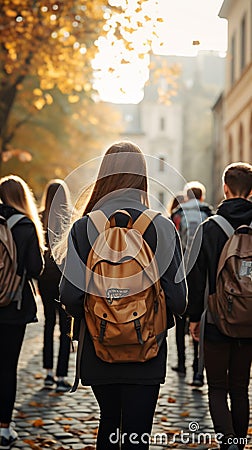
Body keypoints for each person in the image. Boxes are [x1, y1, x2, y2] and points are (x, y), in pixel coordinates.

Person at [59, 141, 187, 450]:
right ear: (142, 175)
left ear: (104, 176)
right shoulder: (163, 227)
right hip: (147, 350)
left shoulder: (83, 227)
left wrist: (103, 315)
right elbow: (180, 300)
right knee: (137, 432)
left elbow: (70, 295)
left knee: (109, 423)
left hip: (99, 348)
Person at [188, 163, 252, 450]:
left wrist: (193, 319)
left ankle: (229, 443)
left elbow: (196, 278)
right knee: (240, 387)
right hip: (250, 319)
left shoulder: (209, 228)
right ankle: (240, 438)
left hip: (215, 318)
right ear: (250, 192)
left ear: (225, 188)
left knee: (217, 387)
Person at [0, 175, 44, 449]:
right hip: (13, 306)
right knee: (7, 367)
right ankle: (4, 428)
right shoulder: (25, 224)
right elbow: (36, 268)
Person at [171, 181, 213, 385]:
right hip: (201, 274)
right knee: (198, 320)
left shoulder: (177, 214)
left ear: (187, 197)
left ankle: (181, 362)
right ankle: (198, 369)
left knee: (180, 320)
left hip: (180, 271)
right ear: (201, 197)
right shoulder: (208, 215)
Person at [38, 179, 72, 393]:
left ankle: (48, 373)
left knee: (48, 323)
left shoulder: (40, 216)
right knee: (65, 329)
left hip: (44, 276)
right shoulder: (69, 217)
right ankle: (61, 375)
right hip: (64, 276)